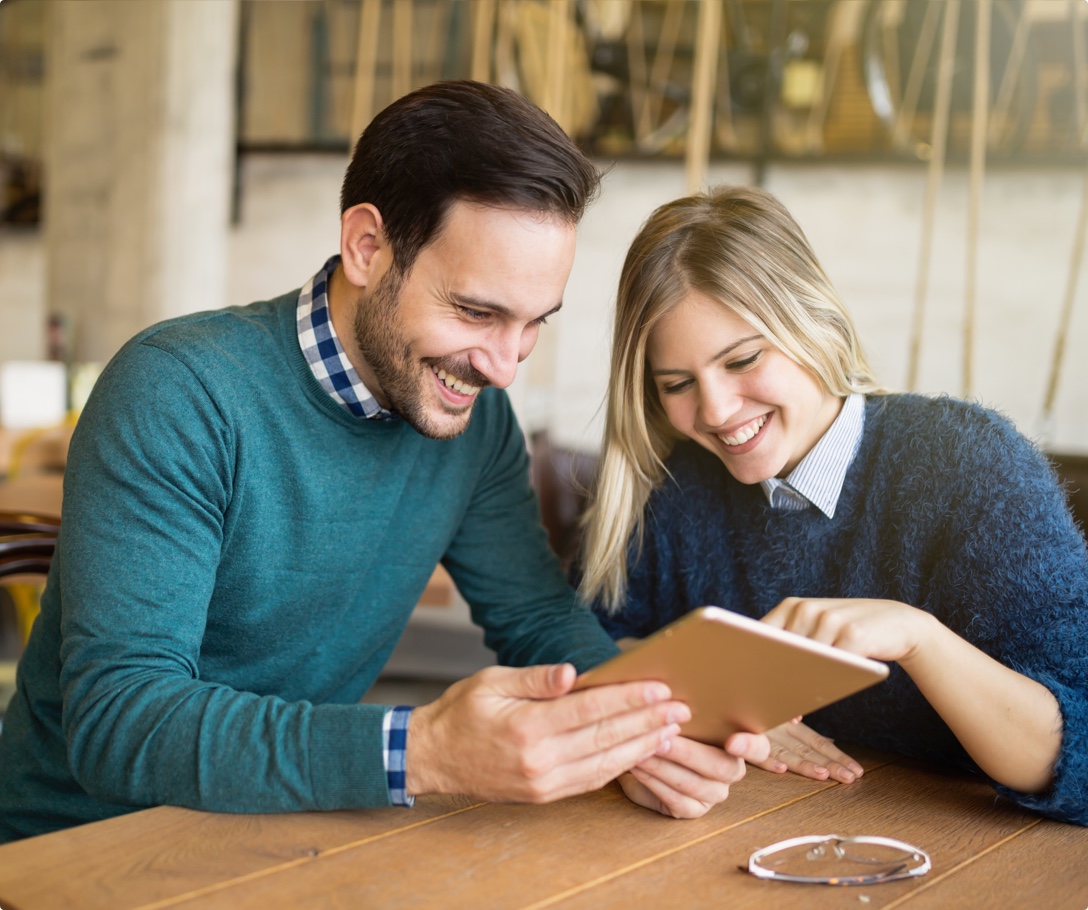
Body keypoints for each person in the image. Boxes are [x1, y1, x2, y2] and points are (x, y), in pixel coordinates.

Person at [0, 83, 770, 843]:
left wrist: (650, 730)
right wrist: (421, 751)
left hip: (285, 835)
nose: (505, 365)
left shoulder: (478, 418)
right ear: (367, 247)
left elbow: (536, 616)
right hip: (80, 849)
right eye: (476, 311)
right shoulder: (180, 390)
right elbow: (121, 720)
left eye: (534, 322)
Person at [576, 185, 1088, 826]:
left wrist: (918, 638)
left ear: (811, 319)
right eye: (676, 384)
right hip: (752, 837)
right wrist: (682, 714)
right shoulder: (674, 487)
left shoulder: (969, 463)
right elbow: (575, 648)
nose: (714, 411)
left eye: (743, 359)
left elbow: (1083, 755)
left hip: (969, 854)